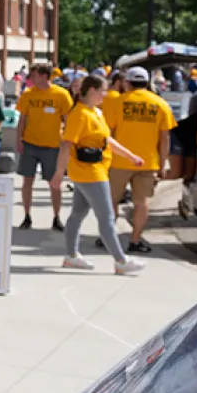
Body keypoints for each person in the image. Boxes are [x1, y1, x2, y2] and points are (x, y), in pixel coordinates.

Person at [54, 74, 147, 275]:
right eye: (103, 91)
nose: (106, 94)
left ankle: (71, 256)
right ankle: (121, 260)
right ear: (92, 91)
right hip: (90, 173)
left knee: (78, 213)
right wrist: (59, 173)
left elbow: (107, 140)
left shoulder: (95, 112)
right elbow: (67, 144)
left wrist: (130, 156)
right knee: (106, 217)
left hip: (92, 170)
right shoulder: (80, 114)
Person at [107, 66, 176, 255]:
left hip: (118, 161)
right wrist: (163, 164)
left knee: (111, 201)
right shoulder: (160, 104)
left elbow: (108, 134)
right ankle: (135, 240)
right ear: (147, 83)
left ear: (127, 82)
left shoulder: (117, 103)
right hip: (147, 162)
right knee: (141, 202)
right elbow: (165, 138)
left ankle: (108, 237)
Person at [17, 62, 73, 231]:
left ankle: (56, 217)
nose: (30, 79)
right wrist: (19, 138)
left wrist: (68, 142)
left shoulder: (61, 94)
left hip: (53, 144)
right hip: (30, 143)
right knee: (27, 180)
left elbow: (67, 119)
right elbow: (23, 118)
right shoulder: (28, 94)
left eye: (33, 75)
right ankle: (26, 216)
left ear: (43, 76)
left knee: (54, 183)